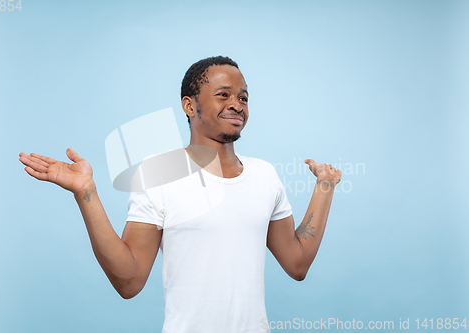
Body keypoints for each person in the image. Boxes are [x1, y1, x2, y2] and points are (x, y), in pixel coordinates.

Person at [18, 55, 341, 333]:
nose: (236, 105)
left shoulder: (263, 173)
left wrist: (324, 186)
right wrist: (86, 193)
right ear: (189, 105)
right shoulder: (159, 173)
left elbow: (297, 264)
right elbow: (129, 282)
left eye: (243, 98)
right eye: (223, 94)